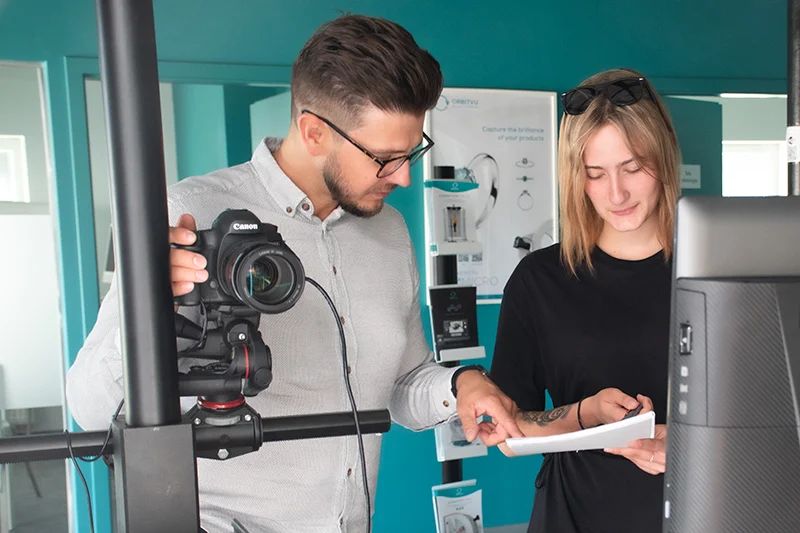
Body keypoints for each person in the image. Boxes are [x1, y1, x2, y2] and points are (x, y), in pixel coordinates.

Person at [66, 15, 521, 533]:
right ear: (313, 132)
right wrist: (144, 309)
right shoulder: (185, 212)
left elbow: (401, 386)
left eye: (412, 152)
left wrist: (462, 384)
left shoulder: (389, 231)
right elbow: (90, 409)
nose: (404, 177)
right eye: (386, 159)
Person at [490, 68, 679, 533]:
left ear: (665, 158)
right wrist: (584, 414)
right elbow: (508, 433)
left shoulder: (716, 271)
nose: (616, 194)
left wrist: (692, 448)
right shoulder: (541, 279)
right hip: (574, 516)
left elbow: (774, 417)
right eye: (596, 175)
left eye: (633, 168)